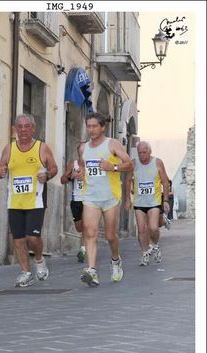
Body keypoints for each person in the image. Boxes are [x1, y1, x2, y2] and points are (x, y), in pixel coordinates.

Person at [0, 113, 58, 287]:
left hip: (35, 201)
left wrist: (47, 175)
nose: (23, 130)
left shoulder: (41, 148)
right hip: (14, 201)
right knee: (19, 239)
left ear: (33, 128)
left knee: (33, 237)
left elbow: (53, 168)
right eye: (19, 126)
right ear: (15, 129)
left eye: (26, 126)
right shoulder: (9, 148)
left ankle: (39, 260)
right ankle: (26, 272)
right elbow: (0, 167)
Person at [78, 112, 133, 287]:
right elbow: (82, 167)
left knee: (110, 236)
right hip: (90, 196)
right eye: (89, 126)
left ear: (102, 127)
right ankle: (92, 271)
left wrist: (113, 166)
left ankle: (116, 261)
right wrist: (80, 174)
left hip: (110, 196)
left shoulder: (112, 144)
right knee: (90, 232)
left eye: (95, 126)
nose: (91, 129)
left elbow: (130, 164)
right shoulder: (83, 148)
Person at [125, 141, 170, 266]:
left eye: (144, 152)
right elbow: (128, 181)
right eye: (139, 153)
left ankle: (155, 245)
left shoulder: (157, 162)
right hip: (139, 202)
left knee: (153, 227)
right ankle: (144, 253)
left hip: (154, 201)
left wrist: (165, 200)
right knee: (141, 229)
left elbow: (165, 182)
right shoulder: (133, 163)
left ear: (150, 152)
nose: (142, 155)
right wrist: (128, 199)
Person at [60, 144, 86, 263]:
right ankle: (86, 244)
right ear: (78, 152)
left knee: (87, 226)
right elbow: (62, 180)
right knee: (79, 227)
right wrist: (72, 176)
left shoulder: (92, 165)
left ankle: (83, 249)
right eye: (81, 152)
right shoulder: (73, 164)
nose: (83, 154)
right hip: (76, 200)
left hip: (89, 200)